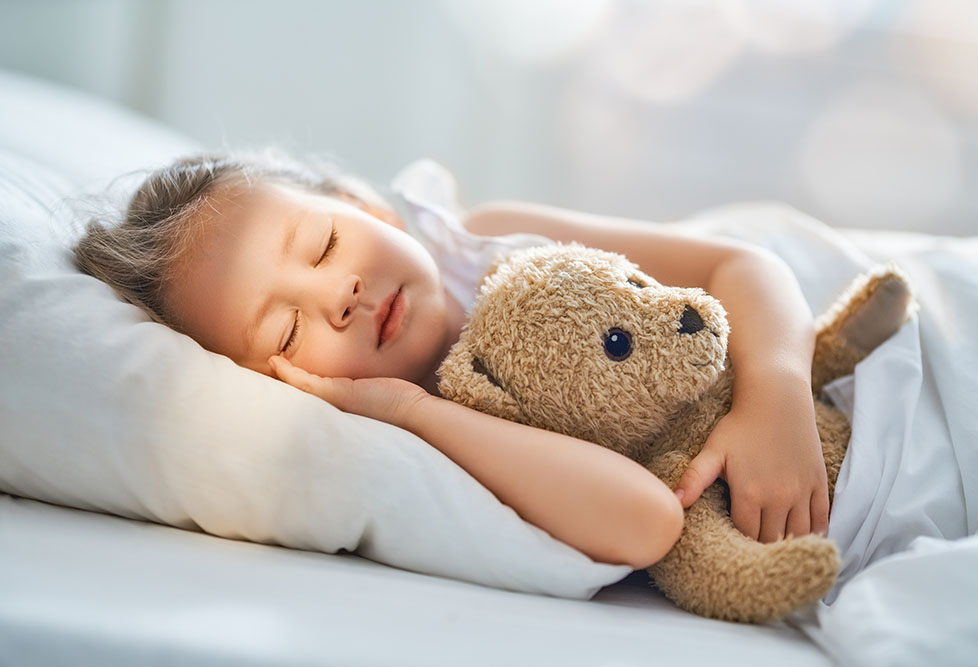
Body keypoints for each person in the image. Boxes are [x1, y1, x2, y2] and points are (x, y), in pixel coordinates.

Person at [74, 151, 829, 570]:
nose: (340, 294)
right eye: (287, 331)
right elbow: (645, 521)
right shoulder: (427, 438)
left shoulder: (493, 240)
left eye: (325, 244)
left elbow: (743, 267)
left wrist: (776, 396)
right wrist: (411, 411)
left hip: (833, 388)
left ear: (367, 209)